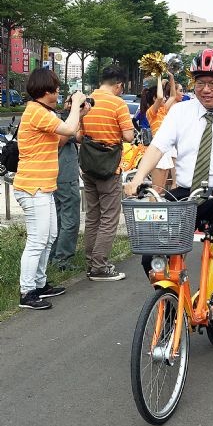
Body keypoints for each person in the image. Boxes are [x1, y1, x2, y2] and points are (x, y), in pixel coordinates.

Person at [125, 48, 213, 304]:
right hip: (185, 193)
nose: (206, 89)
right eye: (200, 83)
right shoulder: (180, 111)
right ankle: (170, 302)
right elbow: (158, 146)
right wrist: (139, 177)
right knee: (151, 250)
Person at [13, 69, 88, 309]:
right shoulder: (36, 111)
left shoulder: (43, 112)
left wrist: (80, 112)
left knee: (49, 237)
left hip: (43, 186)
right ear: (47, 91)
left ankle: (40, 283)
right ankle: (27, 292)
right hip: (33, 187)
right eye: (56, 90)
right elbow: (68, 130)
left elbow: (61, 139)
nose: (58, 93)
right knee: (37, 241)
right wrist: (75, 104)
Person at [80, 66, 134, 281]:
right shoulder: (118, 104)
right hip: (109, 166)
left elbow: (78, 134)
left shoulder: (85, 100)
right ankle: (100, 266)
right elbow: (129, 137)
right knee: (109, 217)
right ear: (119, 85)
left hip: (88, 164)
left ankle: (90, 261)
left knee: (93, 216)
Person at [49, 95, 82, 271]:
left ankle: (54, 256)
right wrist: (79, 114)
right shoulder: (60, 121)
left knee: (58, 216)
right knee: (70, 217)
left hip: (54, 173)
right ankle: (62, 260)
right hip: (65, 174)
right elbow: (78, 136)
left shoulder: (50, 116)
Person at [144, 72, 180, 190]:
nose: (165, 98)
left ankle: (156, 207)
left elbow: (173, 96)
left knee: (161, 189)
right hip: (157, 149)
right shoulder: (151, 112)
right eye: (162, 96)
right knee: (157, 189)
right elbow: (160, 97)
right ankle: (152, 207)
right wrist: (159, 76)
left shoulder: (163, 110)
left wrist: (171, 78)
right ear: (154, 99)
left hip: (165, 150)